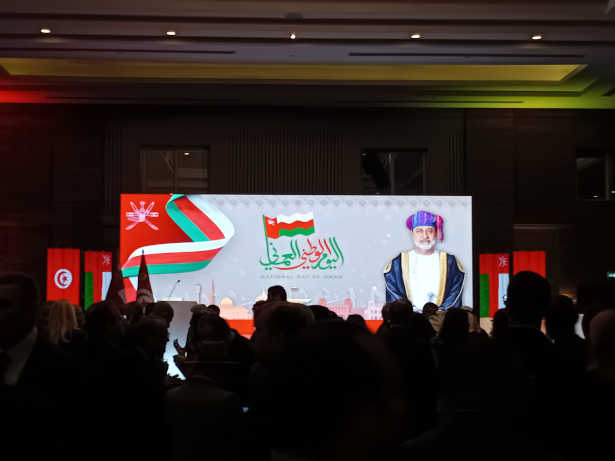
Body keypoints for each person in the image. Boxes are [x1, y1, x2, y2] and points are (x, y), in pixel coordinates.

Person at [384, 210, 465, 330]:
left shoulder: (450, 262)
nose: (425, 236)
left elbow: (454, 295)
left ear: (436, 233)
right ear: (412, 233)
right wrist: (411, 313)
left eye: (429, 231)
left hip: (440, 324)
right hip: (409, 327)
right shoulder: (397, 263)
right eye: (419, 231)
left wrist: (437, 314)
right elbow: (394, 296)